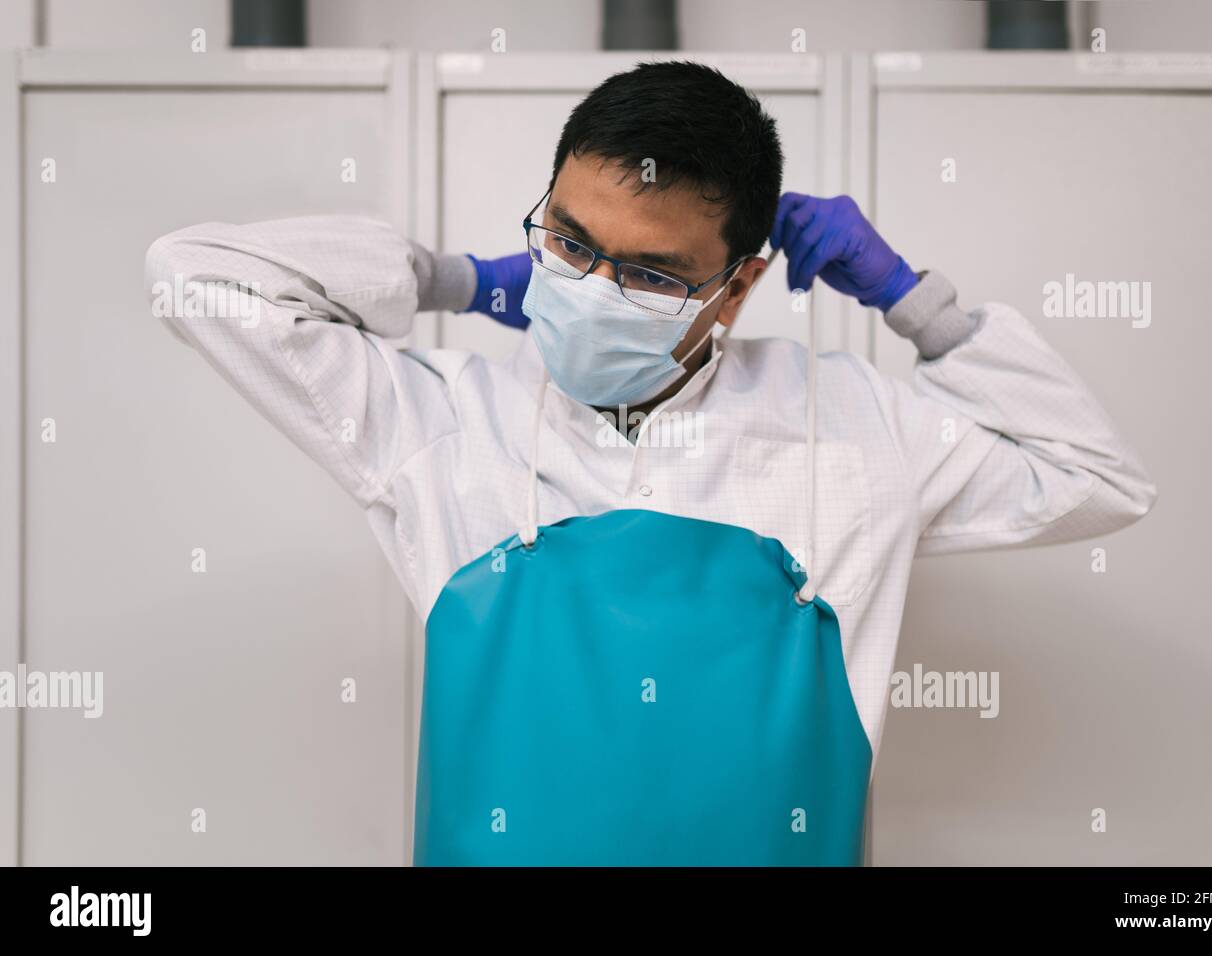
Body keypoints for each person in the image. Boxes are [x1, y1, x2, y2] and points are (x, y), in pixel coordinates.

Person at [145, 61, 1156, 865]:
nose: (591, 287)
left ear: (738, 284)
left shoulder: (846, 427)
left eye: (648, 273)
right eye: (572, 242)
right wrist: (447, 279)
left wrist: (910, 298)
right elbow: (191, 275)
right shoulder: (446, 422)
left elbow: (1094, 476)